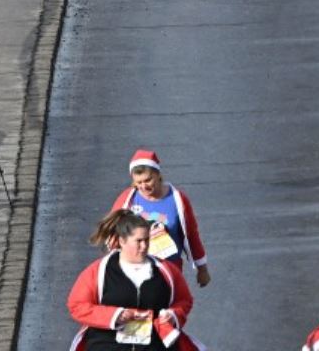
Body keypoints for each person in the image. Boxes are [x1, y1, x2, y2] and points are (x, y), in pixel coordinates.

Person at [67, 209, 202, 350]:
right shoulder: (99, 271)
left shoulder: (166, 271)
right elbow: (77, 305)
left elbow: (184, 300)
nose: (144, 247)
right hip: (106, 344)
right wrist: (115, 315)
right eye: (138, 241)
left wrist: (172, 315)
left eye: (146, 240)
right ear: (122, 241)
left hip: (155, 346)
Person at [110, 150, 212, 287]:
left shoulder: (177, 199)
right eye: (138, 182)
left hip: (169, 271)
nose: (143, 186)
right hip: (135, 271)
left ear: (158, 175)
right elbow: (111, 233)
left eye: (148, 180)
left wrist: (202, 269)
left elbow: (192, 235)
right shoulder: (128, 199)